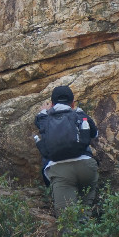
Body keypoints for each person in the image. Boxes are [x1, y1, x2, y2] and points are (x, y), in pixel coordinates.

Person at [34, 85, 99, 217]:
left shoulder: (44, 118)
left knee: (68, 221)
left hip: (60, 171)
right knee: (85, 215)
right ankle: (89, 227)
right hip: (86, 167)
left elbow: (40, 122)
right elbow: (95, 134)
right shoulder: (79, 114)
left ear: (52, 104)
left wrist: (43, 112)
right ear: (73, 103)